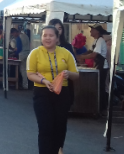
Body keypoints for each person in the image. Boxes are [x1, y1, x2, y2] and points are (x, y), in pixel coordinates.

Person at [27, 26, 79, 154]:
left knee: (60, 126)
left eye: (51, 35)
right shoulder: (35, 53)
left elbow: (76, 74)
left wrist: (68, 74)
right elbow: (30, 74)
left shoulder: (66, 53)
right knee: (45, 127)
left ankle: (57, 150)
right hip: (42, 94)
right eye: (45, 35)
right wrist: (44, 81)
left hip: (62, 93)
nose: (48, 38)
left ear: (57, 38)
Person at [78, 23, 110, 114]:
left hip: (102, 66)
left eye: (92, 30)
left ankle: (103, 107)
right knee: (99, 86)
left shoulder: (100, 40)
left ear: (97, 32)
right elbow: (90, 51)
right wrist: (80, 55)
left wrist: (81, 57)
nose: (91, 31)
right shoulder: (96, 41)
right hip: (98, 65)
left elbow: (93, 54)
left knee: (101, 86)